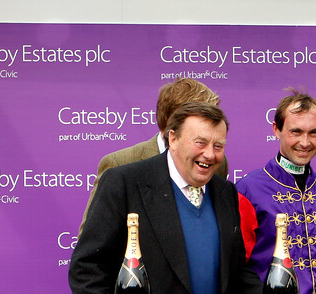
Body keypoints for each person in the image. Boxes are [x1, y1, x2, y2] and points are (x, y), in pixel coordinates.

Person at [69, 102, 263, 294]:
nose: (210, 154)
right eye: (200, 142)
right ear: (173, 138)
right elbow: (87, 266)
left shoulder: (225, 193)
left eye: (218, 146)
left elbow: (234, 272)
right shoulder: (125, 183)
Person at [236, 90, 316, 294]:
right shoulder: (248, 189)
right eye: (296, 131)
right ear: (276, 129)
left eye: (313, 132)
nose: (305, 142)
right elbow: (235, 268)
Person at [78, 77, 228, 235]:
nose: (209, 154)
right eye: (202, 122)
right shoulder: (120, 165)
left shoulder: (216, 163)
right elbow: (92, 243)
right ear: (172, 130)